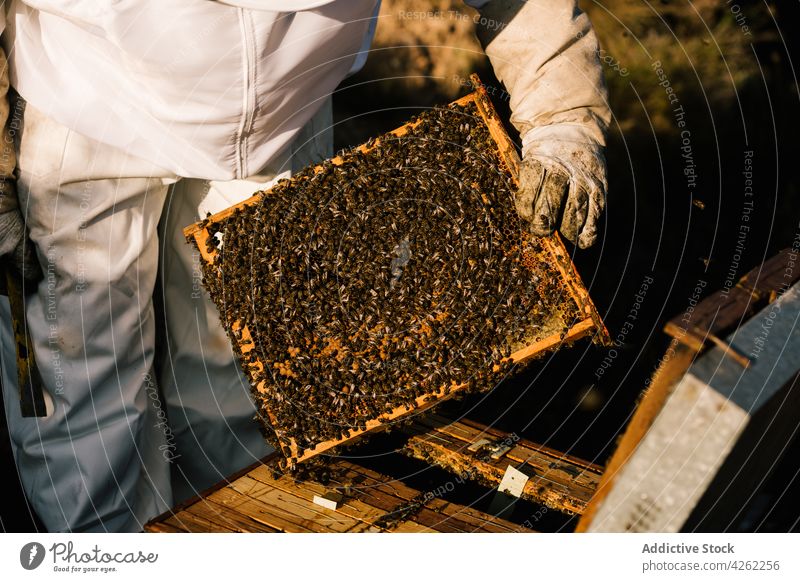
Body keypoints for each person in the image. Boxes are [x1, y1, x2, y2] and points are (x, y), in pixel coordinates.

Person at [0, 0, 610, 532]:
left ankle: (232, 531)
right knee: (73, 370)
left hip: (281, 112)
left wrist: (563, 122)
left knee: (246, 372)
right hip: (85, 93)